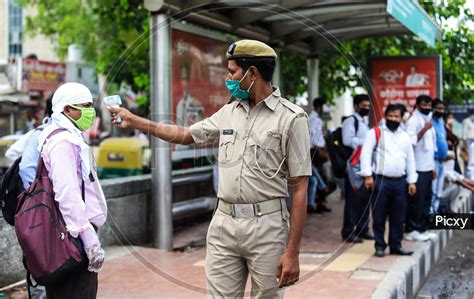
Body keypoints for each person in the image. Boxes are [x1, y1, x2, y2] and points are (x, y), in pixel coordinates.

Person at [109, 40, 311, 298]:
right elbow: (184, 134)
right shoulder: (228, 112)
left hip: (268, 227)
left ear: (252, 73)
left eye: (232, 72)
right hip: (223, 224)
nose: (227, 78)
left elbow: (300, 187)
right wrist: (135, 120)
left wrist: (292, 252)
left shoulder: (291, 118)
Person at [38, 82, 108, 298]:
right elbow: (67, 193)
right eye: (84, 105)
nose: (90, 111)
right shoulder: (62, 141)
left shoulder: (71, 135)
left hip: (73, 234)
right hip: (73, 237)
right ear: (67, 109)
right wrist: (88, 239)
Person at [359, 104, 417, 257]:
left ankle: (396, 245)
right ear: (385, 116)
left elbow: (410, 159)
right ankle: (379, 246)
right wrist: (368, 176)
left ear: (401, 118)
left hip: (400, 182)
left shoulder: (405, 136)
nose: (393, 119)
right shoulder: (375, 133)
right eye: (390, 116)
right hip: (380, 181)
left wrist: (412, 181)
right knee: (379, 215)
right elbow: (365, 154)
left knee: (398, 216)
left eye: (396, 116)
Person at [340, 94, 373, 243]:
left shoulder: (364, 122)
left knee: (365, 200)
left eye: (368, 106)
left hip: (364, 166)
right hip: (353, 167)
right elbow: (347, 140)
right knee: (353, 201)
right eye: (363, 106)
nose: (366, 108)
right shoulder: (350, 121)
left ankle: (362, 229)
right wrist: (366, 142)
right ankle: (348, 231)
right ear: (356, 106)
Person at [405, 95, 437, 242]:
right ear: (417, 105)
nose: (427, 107)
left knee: (426, 199)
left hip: (427, 167)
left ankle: (422, 228)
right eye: (424, 105)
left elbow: (431, 147)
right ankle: (412, 229)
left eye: (429, 105)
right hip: (416, 167)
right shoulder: (412, 121)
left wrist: (433, 167)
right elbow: (411, 142)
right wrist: (424, 129)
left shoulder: (428, 119)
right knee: (416, 201)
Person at [308, 97, 331, 214]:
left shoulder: (317, 119)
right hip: (315, 151)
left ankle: (319, 202)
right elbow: (313, 137)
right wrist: (320, 151)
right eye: (323, 107)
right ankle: (314, 203)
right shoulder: (313, 119)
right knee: (319, 177)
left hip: (318, 150)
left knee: (321, 176)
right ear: (318, 107)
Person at [430, 99, 448, 214]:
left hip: (442, 161)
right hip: (434, 161)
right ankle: (431, 213)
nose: (441, 111)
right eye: (438, 108)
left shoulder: (441, 122)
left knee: (438, 191)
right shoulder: (429, 122)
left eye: (442, 108)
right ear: (433, 109)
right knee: (433, 189)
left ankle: (435, 212)